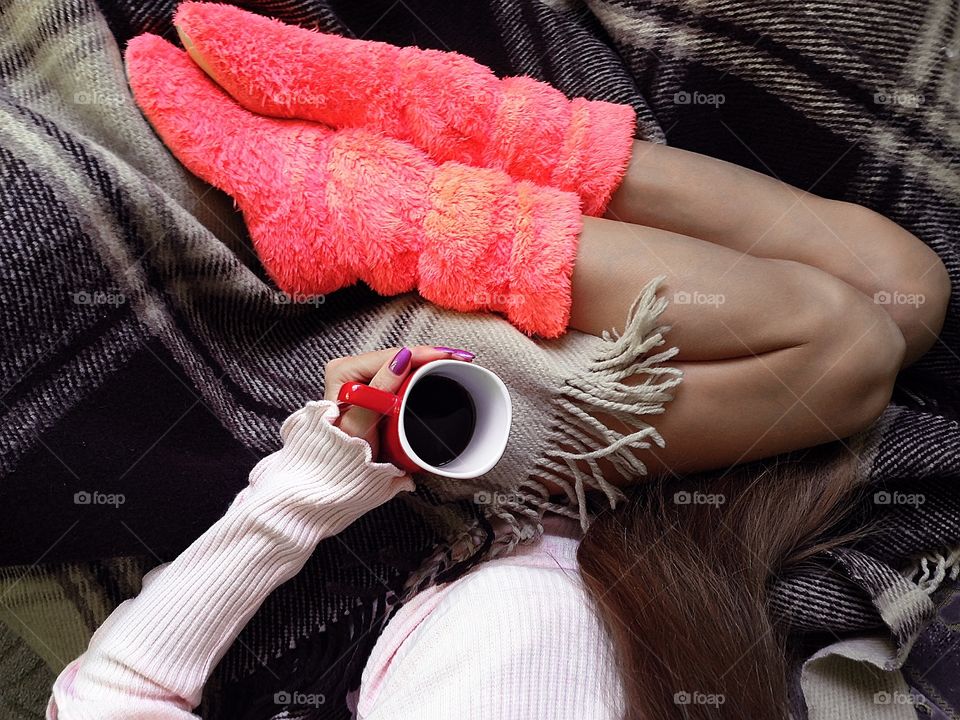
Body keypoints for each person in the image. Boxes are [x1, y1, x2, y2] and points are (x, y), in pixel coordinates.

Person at [48, 5, 950, 718]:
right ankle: (415, 164)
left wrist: (312, 484)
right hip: (675, 559)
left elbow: (111, 698)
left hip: (448, 487)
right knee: (897, 295)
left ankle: (397, 161)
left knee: (855, 337)